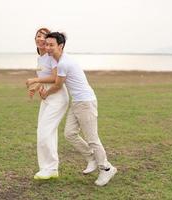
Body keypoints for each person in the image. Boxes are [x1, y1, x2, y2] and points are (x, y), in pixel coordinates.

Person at [39, 32, 117, 186]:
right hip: (78, 102)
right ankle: (91, 158)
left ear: (60, 46)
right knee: (69, 134)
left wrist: (45, 94)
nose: (47, 47)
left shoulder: (63, 63)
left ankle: (106, 168)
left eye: (51, 45)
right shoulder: (61, 59)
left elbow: (57, 85)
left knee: (92, 138)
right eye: (46, 44)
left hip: (86, 102)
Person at [26, 28, 69, 180]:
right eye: (38, 35)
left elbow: (55, 78)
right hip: (46, 97)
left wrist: (36, 80)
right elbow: (44, 77)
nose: (40, 38)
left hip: (57, 97)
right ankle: (49, 168)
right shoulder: (41, 57)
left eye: (43, 36)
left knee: (44, 133)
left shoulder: (51, 56)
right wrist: (35, 88)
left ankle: (50, 167)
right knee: (46, 133)